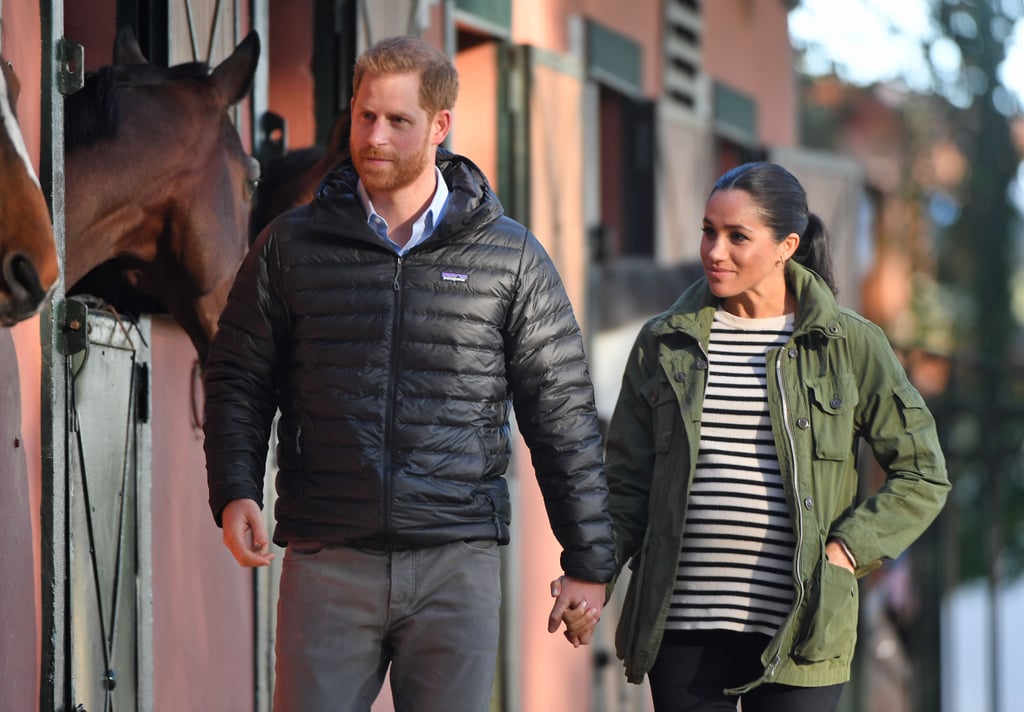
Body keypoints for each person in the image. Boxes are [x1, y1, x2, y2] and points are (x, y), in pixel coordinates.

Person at [203, 35, 614, 712]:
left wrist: (589, 562)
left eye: (398, 121)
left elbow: (562, 413)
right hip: (327, 557)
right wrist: (235, 489)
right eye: (366, 116)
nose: (375, 136)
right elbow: (239, 377)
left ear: (440, 126)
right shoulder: (289, 245)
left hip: (456, 565)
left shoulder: (508, 257)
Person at [596, 162, 950, 711]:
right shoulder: (665, 342)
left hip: (802, 630)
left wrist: (848, 549)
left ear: (787, 245)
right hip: (683, 629)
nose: (715, 250)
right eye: (709, 231)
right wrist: (592, 575)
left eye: (738, 236)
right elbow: (624, 484)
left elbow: (923, 473)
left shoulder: (847, 345)